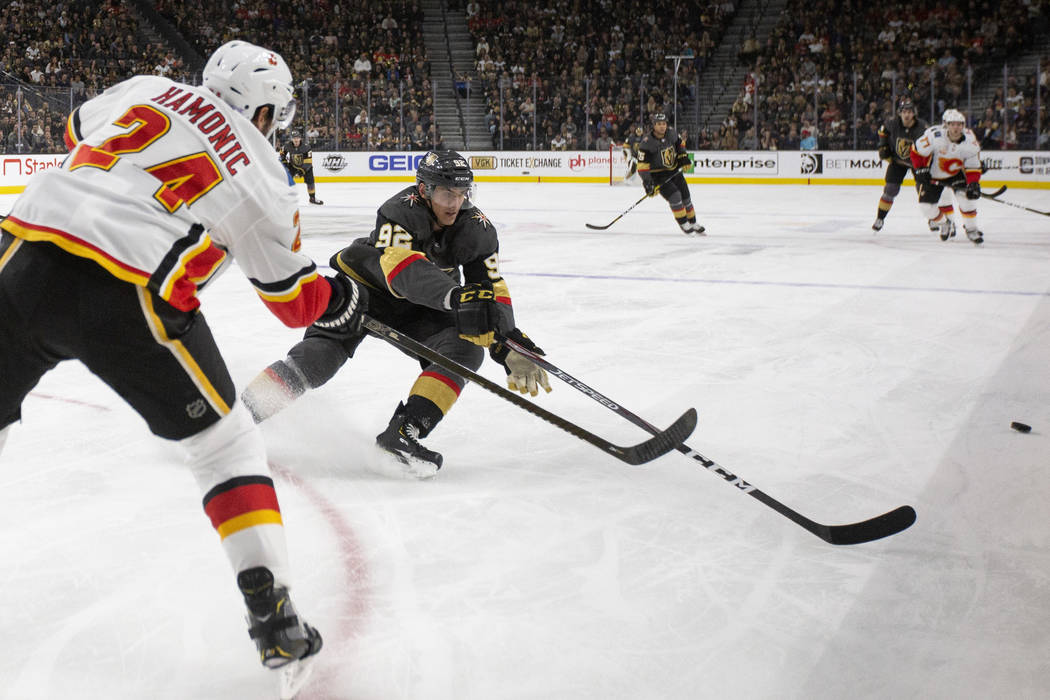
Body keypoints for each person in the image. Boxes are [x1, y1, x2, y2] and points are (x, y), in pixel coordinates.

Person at [0, 40, 370, 690]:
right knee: (226, 447)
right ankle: (275, 620)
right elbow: (293, 304)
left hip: (21, 254)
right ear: (267, 113)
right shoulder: (262, 174)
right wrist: (342, 297)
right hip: (127, 289)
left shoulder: (143, 85)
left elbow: (78, 128)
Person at [241, 150, 551, 478]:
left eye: (462, 194)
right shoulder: (400, 211)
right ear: (423, 190)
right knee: (317, 359)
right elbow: (402, 271)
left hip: (425, 305)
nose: (455, 203)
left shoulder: (477, 228)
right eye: (447, 193)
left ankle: (403, 434)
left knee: (464, 349)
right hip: (364, 293)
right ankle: (237, 419)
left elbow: (490, 287)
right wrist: (457, 298)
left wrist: (506, 342)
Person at [911, 108, 985, 245]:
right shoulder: (934, 136)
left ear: (963, 126)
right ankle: (945, 223)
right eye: (952, 124)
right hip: (933, 175)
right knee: (926, 207)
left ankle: (971, 229)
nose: (956, 127)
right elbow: (915, 151)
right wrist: (920, 169)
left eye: (959, 124)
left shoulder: (970, 139)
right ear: (946, 125)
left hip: (956, 174)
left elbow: (972, 165)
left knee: (966, 199)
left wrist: (973, 182)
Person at [637, 113, 704, 235]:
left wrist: (683, 157)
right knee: (675, 197)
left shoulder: (672, 133)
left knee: (686, 197)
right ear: (654, 125)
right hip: (658, 176)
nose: (662, 127)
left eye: (664, 124)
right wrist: (648, 182)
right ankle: (684, 223)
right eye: (659, 124)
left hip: (674, 171)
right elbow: (642, 166)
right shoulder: (647, 142)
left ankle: (693, 222)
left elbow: (680, 145)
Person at [872, 97, 928, 232]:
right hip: (897, 162)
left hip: (917, 162)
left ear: (914, 113)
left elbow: (930, 143)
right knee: (890, 190)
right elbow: (882, 132)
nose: (907, 114)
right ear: (899, 113)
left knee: (924, 191)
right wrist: (883, 146)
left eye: (909, 111)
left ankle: (932, 219)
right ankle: (880, 218)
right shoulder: (892, 123)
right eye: (904, 112)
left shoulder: (923, 127)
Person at [280, 129, 324, 205]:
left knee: (310, 182)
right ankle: (283, 198)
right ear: (291, 139)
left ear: (300, 138)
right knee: (285, 180)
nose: (296, 140)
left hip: (306, 167)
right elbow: (282, 153)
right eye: (294, 138)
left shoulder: (306, 147)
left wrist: (300, 173)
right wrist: (285, 164)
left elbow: (308, 163)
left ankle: (312, 198)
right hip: (293, 166)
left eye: (297, 138)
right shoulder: (287, 146)